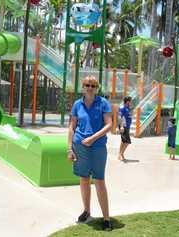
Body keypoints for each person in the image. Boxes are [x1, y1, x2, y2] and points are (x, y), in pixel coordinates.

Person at [67, 76, 113, 231]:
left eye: (93, 85)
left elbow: (109, 125)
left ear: (97, 87)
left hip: (98, 147)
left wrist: (92, 138)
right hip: (80, 146)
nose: (90, 87)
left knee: (99, 181)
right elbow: (72, 127)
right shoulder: (77, 104)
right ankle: (86, 211)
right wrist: (69, 148)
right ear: (83, 86)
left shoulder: (103, 103)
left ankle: (106, 218)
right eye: (87, 85)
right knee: (84, 179)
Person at [118, 96, 132, 162]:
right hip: (124, 126)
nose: (131, 102)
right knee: (127, 142)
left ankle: (120, 154)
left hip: (127, 127)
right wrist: (121, 126)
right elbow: (120, 117)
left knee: (123, 141)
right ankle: (121, 154)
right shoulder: (122, 108)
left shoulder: (128, 108)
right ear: (128, 101)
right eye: (130, 101)